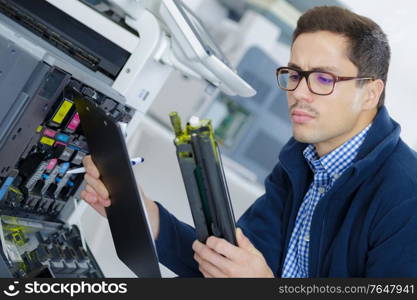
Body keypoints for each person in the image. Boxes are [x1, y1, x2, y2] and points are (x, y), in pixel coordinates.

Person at [80, 6, 417, 277]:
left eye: (323, 78)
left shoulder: (406, 195)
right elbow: (224, 266)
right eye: (295, 75)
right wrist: (144, 214)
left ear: (370, 92)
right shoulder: (299, 164)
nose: (298, 92)